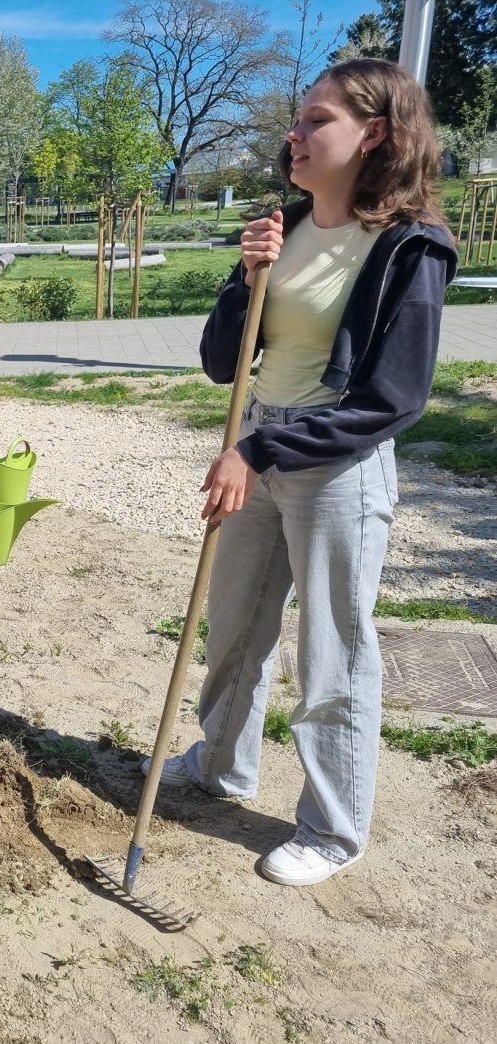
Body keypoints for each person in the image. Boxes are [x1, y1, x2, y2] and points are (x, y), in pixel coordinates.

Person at [142, 59, 457, 886]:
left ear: (375, 133)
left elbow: (394, 397)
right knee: (234, 627)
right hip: (255, 444)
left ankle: (331, 828)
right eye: (298, 120)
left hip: (336, 469)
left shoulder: (407, 247)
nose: (296, 134)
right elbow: (221, 362)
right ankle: (220, 766)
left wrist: (259, 451)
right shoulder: (280, 228)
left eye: (317, 120)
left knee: (334, 655)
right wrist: (246, 281)